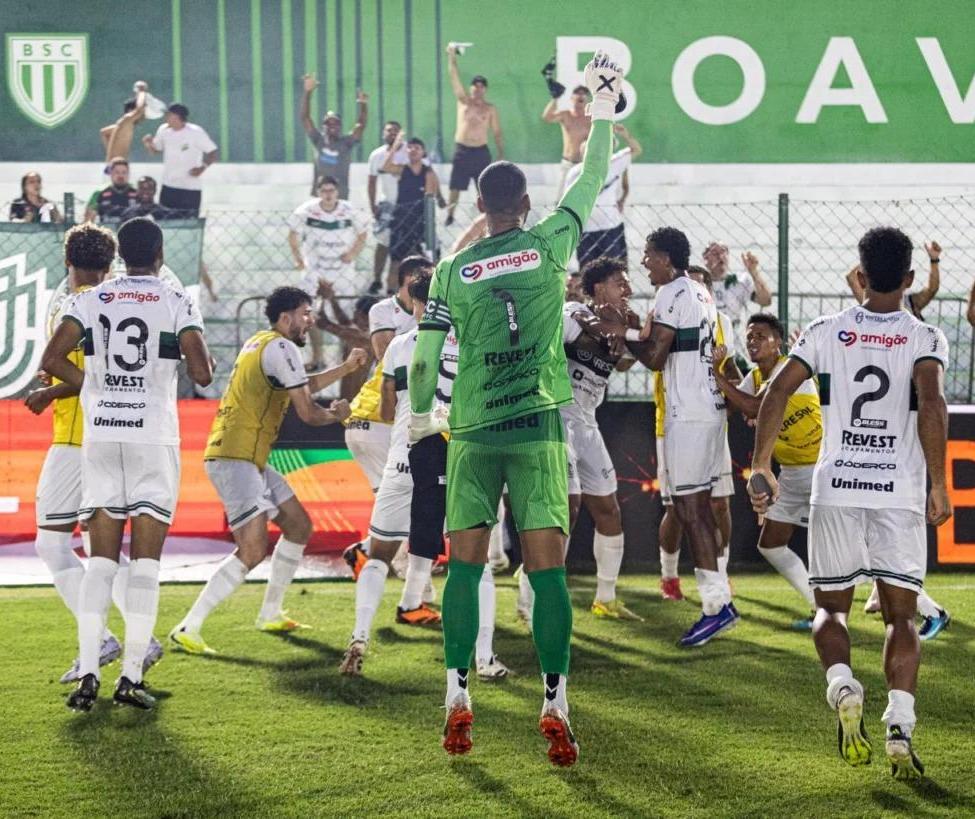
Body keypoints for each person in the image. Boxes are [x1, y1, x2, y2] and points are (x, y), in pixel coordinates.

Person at [409, 51, 626, 766]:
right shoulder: (549, 242)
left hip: (472, 430)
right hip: (536, 427)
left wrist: (422, 419)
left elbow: (423, 359)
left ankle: (456, 693)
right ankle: (555, 701)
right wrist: (599, 106)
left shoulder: (450, 269)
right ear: (525, 204)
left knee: (466, 568)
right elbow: (591, 176)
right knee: (547, 571)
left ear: (480, 206)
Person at [748, 226, 952, 779]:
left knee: (831, 610)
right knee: (901, 617)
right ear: (909, 278)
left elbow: (776, 392)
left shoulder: (824, 330)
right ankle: (899, 724)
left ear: (860, 275)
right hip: (898, 492)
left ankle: (842, 685)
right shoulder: (925, 336)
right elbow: (932, 403)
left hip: (836, 487)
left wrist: (761, 463)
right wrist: (938, 483)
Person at [42, 217, 213, 711]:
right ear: (159, 254)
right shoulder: (176, 299)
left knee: (99, 562)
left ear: (121, 255)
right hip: (152, 439)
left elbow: (52, 360)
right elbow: (202, 372)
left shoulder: (89, 299)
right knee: (144, 565)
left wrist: (96, 387)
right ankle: (131, 677)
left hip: (101, 436)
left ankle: (88, 674)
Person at [169, 287, 364, 655]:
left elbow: (301, 386)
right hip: (236, 457)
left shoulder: (262, 343)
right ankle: (188, 626)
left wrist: (345, 369)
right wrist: (338, 416)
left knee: (298, 525)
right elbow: (308, 412)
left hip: (245, 456)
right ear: (286, 317)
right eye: (306, 313)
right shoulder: (281, 347)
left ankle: (270, 613)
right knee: (253, 547)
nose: (311, 321)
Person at [25, 223, 162, 683]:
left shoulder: (75, 305)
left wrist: (51, 392)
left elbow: (92, 379)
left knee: (52, 542)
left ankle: (103, 638)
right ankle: (143, 638)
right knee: (98, 545)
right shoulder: (123, 300)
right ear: (110, 263)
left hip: (76, 438)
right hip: (120, 434)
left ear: (68, 261)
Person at [641, 228, 737, 647]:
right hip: (708, 410)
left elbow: (655, 358)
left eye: (648, 255)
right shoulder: (700, 292)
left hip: (688, 415)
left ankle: (716, 606)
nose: (644, 263)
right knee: (695, 507)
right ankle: (718, 599)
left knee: (691, 509)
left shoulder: (669, 292)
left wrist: (627, 334)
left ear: (665, 258)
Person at [711, 313, 821, 628]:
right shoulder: (756, 377)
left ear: (778, 342)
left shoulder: (790, 369)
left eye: (761, 335)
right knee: (771, 544)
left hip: (819, 468)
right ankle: (818, 608)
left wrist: (716, 375)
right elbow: (737, 403)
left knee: (850, 545)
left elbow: (753, 406)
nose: (752, 341)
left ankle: (927, 608)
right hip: (790, 473)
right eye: (749, 336)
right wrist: (726, 372)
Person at [556, 256, 649, 621]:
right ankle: (533, 598)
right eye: (619, 283)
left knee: (609, 510)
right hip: (558, 420)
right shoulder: (574, 311)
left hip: (588, 424)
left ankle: (605, 598)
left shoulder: (619, 324)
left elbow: (622, 362)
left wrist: (632, 337)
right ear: (598, 289)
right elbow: (582, 342)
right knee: (567, 508)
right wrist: (621, 333)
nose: (628, 290)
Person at [655, 266, 739, 603]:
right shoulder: (666, 312)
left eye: (700, 286)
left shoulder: (722, 323)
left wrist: (730, 392)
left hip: (712, 420)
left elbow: (732, 370)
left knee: (719, 504)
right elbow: (650, 357)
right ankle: (669, 576)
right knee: (678, 509)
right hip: (674, 422)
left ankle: (721, 576)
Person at [340, 256, 427, 579]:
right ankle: (404, 572)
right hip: (378, 421)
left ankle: (366, 552)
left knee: (398, 499)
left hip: (370, 422)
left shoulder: (411, 340)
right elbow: (383, 353)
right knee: (407, 498)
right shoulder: (391, 319)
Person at [287, 175, 370, 368]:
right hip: (315, 269)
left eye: (331, 190)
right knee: (309, 313)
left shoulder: (349, 210)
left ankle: (346, 357)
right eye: (324, 190)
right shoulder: (307, 210)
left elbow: (363, 233)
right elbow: (292, 234)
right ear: (318, 192)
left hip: (342, 270)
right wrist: (298, 259)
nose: (328, 194)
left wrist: (353, 253)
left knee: (345, 315)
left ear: (337, 192)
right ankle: (318, 358)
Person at [563, 125, 641, 268]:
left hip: (611, 228)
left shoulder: (614, 163)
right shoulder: (574, 173)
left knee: (614, 270)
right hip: (586, 231)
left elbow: (636, 150)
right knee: (588, 273)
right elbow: (567, 203)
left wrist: (625, 134)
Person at [444, 43, 504, 226]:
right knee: (455, 186)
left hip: (481, 152)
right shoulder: (463, 101)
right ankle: (450, 215)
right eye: (475, 86)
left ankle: (488, 218)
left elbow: (497, 131)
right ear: (471, 88)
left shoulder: (490, 108)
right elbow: (454, 77)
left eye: (481, 86)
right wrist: (451, 56)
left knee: (483, 187)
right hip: (462, 150)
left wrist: (501, 153)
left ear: (485, 89)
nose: (478, 89)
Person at [382, 135, 442, 286]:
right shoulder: (403, 169)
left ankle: (433, 290)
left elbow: (430, 199)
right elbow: (386, 167)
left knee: (429, 260)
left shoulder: (428, 172)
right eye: (410, 147)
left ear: (423, 152)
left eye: (417, 148)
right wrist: (395, 146)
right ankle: (391, 292)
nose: (413, 150)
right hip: (401, 221)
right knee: (395, 261)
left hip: (420, 223)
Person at [141, 103, 218, 216]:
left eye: (169, 114)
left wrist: (202, 168)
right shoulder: (163, 130)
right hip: (168, 186)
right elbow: (156, 150)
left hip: (190, 188)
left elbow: (213, 152)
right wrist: (148, 144)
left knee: (189, 222)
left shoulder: (195, 132)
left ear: (178, 116)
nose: (166, 117)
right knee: (165, 221)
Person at [300, 74, 367, 198]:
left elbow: (360, 126)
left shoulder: (346, 143)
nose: (332, 126)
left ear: (340, 126)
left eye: (336, 123)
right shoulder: (318, 140)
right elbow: (305, 118)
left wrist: (363, 104)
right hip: (319, 198)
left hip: (340, 197)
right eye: (328, 123)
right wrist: (307, 92)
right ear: (323, 126)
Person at [846, 241, 941, 321]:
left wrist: (934, 260)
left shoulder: (910, 302)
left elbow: (932, 289)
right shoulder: (873, 302)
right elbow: (852, 278)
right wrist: (876, 255)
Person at [315, 284, 378, 399]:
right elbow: (345, 322)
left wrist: (321, 299)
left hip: (353, 399)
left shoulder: (359, 336)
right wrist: (331, 298)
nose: (354, 318)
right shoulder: (368, 333)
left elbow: (321, 322)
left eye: (359, 316)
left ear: (358, 313)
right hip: (356, 397)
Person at [702, 243, 773, 336]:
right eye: (715, 253)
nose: (720, 256)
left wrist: (753, 271)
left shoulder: (740, 282)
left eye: (723, 251)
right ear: (705, 259)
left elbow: (766, 300)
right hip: (708, 336)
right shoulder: (700, 285)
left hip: (734, 339)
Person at [367, 120, 404, 292]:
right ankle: (376, 280)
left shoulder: (408, 152)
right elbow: (372, 181)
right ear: (383, 133)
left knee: (400, 249)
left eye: (396, 131)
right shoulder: (376, 155)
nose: (392, 133)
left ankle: (393, 287)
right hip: (387, 205)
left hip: (406, 206)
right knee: (382, 243)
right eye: (389, 130)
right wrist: (372, 205)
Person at [541, 84, 591, 200]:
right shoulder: (566, 115)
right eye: (577, 93)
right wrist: (555, 99)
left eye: (584, 93)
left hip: (584, 165)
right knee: (560, 199)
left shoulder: (591, 118)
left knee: (582, 199)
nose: (581, 95)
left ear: (587, 99)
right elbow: (547, 117)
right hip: (567, 164)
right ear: (572, 98)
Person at [100, 83, 148, 165]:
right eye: (144, 111)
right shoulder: (126, 121)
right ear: (131, 111)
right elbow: (139, 110)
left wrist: (111, 152)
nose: (144, 114)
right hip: (115, 167)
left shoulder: (122, 125)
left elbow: (103, 132)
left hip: (114, 165)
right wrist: (142, 92)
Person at [84, 157, 137, 222]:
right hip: (107, 227)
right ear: (111, 173)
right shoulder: (99, 193)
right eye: (117, 172)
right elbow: (88, 221)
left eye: (124, 172)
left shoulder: (137, 192)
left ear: (128, 174)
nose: (121, 176)